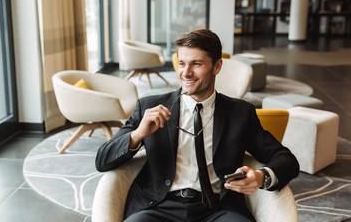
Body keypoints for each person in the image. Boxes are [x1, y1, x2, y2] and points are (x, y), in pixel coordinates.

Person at [95, 29, 299, 222]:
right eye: (182, 63)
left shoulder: (240, 113)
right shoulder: (149, 106)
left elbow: (286, 159)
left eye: (196, 64)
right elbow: (102, 160)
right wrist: (138, 134)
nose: (186, 73)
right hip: (158, 207)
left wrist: (260, 177)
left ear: (217, 66)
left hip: (218, 209)